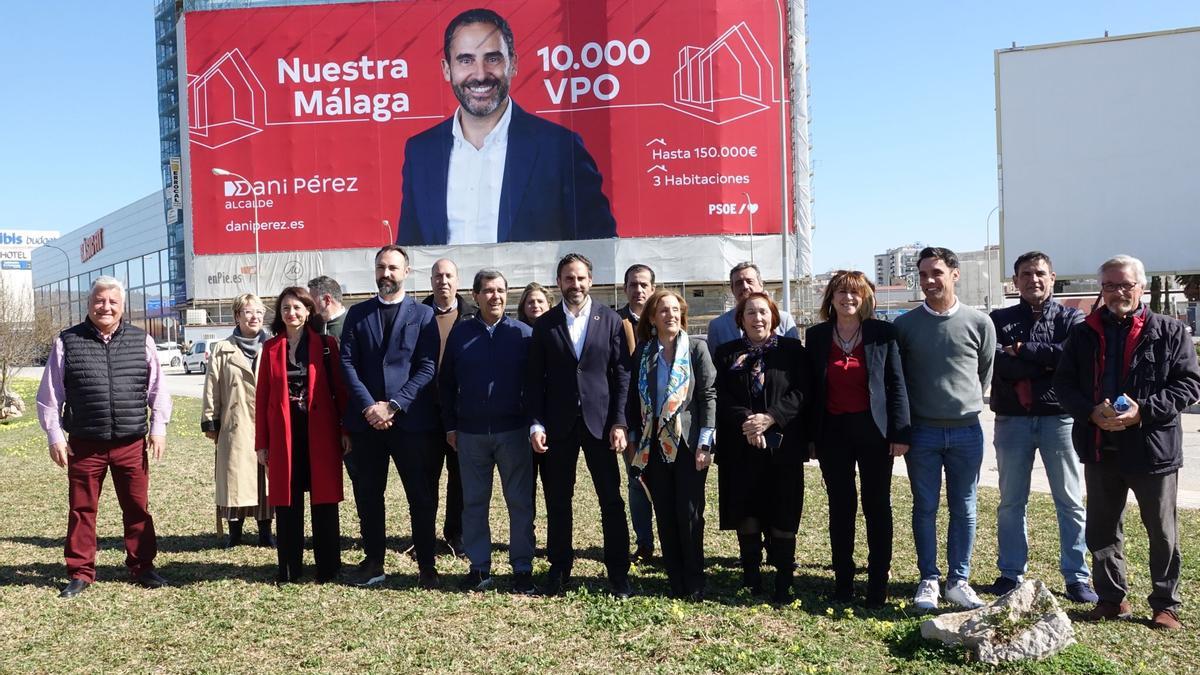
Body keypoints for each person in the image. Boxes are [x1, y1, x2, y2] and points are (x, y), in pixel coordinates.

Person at [1054, 255, 1200, 630]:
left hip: (1152, 449)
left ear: (1142, 288)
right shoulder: (1083, 332)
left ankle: (1165, 604)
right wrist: (1089, 411)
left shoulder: (1170, 330)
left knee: (1162, 532)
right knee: (1102, 530)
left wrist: (1142, 412)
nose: (1118, 292)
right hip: (1100, 447)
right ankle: (1111, 598)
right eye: (1110, 285)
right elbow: (1064, 384)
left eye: (1126, 285)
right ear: (1101, 289)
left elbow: (1189, 384)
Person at [396, 8, 617, 245]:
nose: (480, 74)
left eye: (492, 58)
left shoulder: (560, 148)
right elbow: (410, 253)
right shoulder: (421, 152)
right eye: (466, 60)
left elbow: (600, 246)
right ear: (447, 69)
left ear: (512, 64)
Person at [37, 276, 172, 598]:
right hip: (85, 444)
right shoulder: (66, 342)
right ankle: (81, 571)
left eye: (112, 301)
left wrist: (159, 428)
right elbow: (49, 395)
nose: (105, 307)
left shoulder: (142, 341)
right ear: (89, 304)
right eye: (99, 300)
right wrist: (55, 435)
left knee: (137, 508)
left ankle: (143, 567)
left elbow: (159, 390)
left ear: (123, 306)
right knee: (82, 509)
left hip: (130, 442)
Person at [987, 252, 1096, 603]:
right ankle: (1010, 573)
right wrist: (1045, 363)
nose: (1033, 279)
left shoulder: (1072, 317)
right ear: (1014, 281)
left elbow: (1072, 357)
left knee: (1069, 500)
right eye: (1025, 274)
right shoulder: (998, 319)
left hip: (1059, 418)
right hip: (1012, 420)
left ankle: (1077, 577)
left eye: (1040, 273)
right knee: (1011, 502)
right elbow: (1000, 365)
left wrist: (1024, 351)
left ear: (1052, 277)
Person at [894, 247, 996, 611]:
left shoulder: (980, 322)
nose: (929, 281)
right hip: (922, 432)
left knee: (964, 507)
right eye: (922, 275)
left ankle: (958, 580)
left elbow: (983, 371)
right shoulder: (904, 326)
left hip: (967, 431)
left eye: (936, 272)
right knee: (925, 507)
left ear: (954, 274)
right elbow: (899, 381)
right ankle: (929, 579)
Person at [526, 253, 633, 597]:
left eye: (581, 278)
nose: (575, 285)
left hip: (601, 424)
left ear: (591, 280)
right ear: (559, 282)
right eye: (569, 279)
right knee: (558, 499)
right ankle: (559, 570)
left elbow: (621, 376)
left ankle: (618, 572)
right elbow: (534, 382)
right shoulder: (545, 324)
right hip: (558, 426)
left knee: (610, 500)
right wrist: (536, 423)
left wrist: (619, 421)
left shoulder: (611, 320)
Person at [340, 245, 443, 588]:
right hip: (367, 423)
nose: (387, 274)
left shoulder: (423, 315)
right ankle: (374, 562)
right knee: (369, 495)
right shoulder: (358, 314)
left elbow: (427, 366)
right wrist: (371, 406)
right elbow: (348, 364)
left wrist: (395, 405)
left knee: (421, 496)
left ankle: (426, 565)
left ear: (406, 272)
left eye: (393, 268)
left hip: (411, 422)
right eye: (381, 267)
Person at [805, 271, 910, 607]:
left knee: (876, 505)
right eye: (840, 292)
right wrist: (811, 437)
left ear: (865, 298)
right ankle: (843, 581)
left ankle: (878, 583)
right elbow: (811, 391)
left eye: (855, 293)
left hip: (874, 432)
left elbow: (896, 385)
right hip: (833, 432)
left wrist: (900, 432)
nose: (847, 298)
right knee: (841, 506)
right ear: (830, 298)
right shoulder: (818, 335)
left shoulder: (883, 334)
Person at [440, 269, 536, 594]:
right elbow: (446, 383)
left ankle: (522, 567)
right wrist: (451, 426)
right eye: (488, 291)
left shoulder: (522, 334)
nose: (495, 296)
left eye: (500, 290)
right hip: (471, 434)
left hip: (514, 432)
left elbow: (537, 386)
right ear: (476, 295)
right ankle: (479, 567)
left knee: (520, 503)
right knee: (474, 503)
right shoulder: (460, 334)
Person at [714, 292, 811, 602]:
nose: (758, 318)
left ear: (774, 317)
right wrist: (748, 421)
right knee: (747, 510)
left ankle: (784, 580)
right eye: (750, 313)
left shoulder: (793, 351)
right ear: (740, 320)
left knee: (783, 510)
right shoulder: (727, 353)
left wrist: (770, 418)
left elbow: (802, 392)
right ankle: (751, 578)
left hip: (782, 446)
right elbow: (718, 395)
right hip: (740, 446)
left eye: (763, 312)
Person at [625, 290, 716, 600]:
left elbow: (708, 397)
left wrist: (706, 443)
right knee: (664, 510)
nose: (671, 315)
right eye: (663, 310)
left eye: (675, 310)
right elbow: (633, 400)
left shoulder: (696, 349)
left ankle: (695, 579)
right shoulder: (644, 353)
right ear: (652, 317)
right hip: (654, 447)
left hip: (689, 446)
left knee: (689, 512)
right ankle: (675, 578)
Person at [255, 287, 349, 583]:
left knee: (324, 501)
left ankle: (328, 567)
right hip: (284, 434)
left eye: (297, 308)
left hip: (320, 432)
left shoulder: (325, 344)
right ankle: (289, 568)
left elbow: (340, 393)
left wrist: (345, 430)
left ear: (308, 311)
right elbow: (262, 398)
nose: (291, 313)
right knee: (287, 502)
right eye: (285, 308)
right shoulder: (271, 348)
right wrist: (262, 443)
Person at [201, 292, 273, 548]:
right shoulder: (222, 349)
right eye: (248, 312)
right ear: (237, 316)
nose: (254, 317)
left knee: (265, 478)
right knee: (234, 478)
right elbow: (212, 386)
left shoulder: (274, 346)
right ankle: (235, 532)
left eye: (258, 312)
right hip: (235, 424)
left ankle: (266, 532)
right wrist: (210, 419)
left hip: (266, 423)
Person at [422, 258, 477, 556]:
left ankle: (457, 535)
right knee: (427, 477)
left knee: (461, 478)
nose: (443, 281)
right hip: (426, 411)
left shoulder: (472, 316)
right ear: (431, 281)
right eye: (438, 276)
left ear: (457, 280)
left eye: (448, 276)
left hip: (461, 410)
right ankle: (425, 537)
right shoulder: (416, 314)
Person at [617, 264, 657, 563]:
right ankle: (644, 542)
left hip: (666, 419)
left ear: (653, 288)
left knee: (668, 483)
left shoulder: (665, 317)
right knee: (636, 479)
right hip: (632, 418)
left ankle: (673, 539)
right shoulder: (615, 322)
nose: (638, 289)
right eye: (633, 284)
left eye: (644, 284)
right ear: (625, 288)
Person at [705, 262, 800, 356]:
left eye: (750, 281)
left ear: (761, 285)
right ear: (732, 289)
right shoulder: (717, 326)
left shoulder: (784, 320)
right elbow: (715, 366)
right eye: (739, 283)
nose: (745, 287)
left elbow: (796, 358)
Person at [307, 275, 348, 342]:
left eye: (312, 300)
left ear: (327, 300)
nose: (309, 304)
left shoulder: (353, 323)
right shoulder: (312, 325)